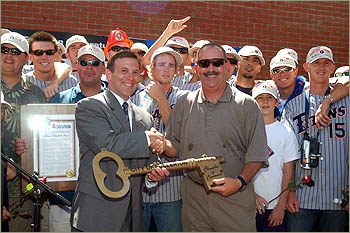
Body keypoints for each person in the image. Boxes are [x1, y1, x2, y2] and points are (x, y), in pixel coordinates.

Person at [162, 43, 268, 231]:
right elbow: (175, 146)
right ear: (197, 68)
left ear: (227, 67)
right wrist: (162, 145)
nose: (211, 69)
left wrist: (239, 182)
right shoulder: (185, 103)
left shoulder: (247, 105)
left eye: (217, 63)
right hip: (195, 201)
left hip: (235, 199)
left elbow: (257, 155)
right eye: (204, 63)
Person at [70, 51, 169, 232]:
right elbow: (108, 145)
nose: (130, 77)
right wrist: (148, 138)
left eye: (135, 72)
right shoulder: (90, 106)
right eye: (124, 71)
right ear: (109, 74)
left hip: (132, 217)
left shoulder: (145, 118)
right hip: (97, 214)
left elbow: (146, 161)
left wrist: (153, 174)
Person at [283, 46, 348, 231]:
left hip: (338, 196)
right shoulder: (293, 106)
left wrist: (328, 101)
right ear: (306, 67)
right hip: (302, 198)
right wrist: (289, 193)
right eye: (316, 63)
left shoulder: (346, 101)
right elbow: (287, 156)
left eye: (326, 63)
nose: (321, 67)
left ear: (333, 67)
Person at [46, 44, 106, 232]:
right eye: (84, 62)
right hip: (64, 198)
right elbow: (46, 145)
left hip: (103, 196)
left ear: (104, 68)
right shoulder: (59, 101)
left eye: (95, 63)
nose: (89, 67)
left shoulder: (115, 103)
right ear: (76, 66)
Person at [133, 47, 186, 232]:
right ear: (151, 69)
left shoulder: (184, 97)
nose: (166, 69)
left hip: (170, 188)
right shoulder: (136, 98)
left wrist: (160, 98)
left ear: (176, 71)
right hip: (140, 189)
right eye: (161, 64)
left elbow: (177, 133)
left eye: (171, 66)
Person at [1, 31, 46, 232]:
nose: (8, 56)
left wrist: (29, 149)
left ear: (26, 58)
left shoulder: (35, 93)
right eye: (3, 50)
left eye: (15, 52)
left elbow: (43, 141)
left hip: (23, 188)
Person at [251, 82, 299, 232]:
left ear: (276, 102)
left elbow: (289, 172)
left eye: (269, 98)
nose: (265, 101)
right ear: (253, 102)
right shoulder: (246, 131)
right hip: (249, 204)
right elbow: (238, 167)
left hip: (274, 207)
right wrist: (252, 196)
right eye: (260, 98)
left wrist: (280, 206)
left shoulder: (286, 132)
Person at [25, 31, 78, 98]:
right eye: (38, 52)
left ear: (56, 55)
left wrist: (54, 83)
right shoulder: (23, 82)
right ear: (30, 57)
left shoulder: (71, 82)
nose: (44, 57)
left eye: (49, 52)